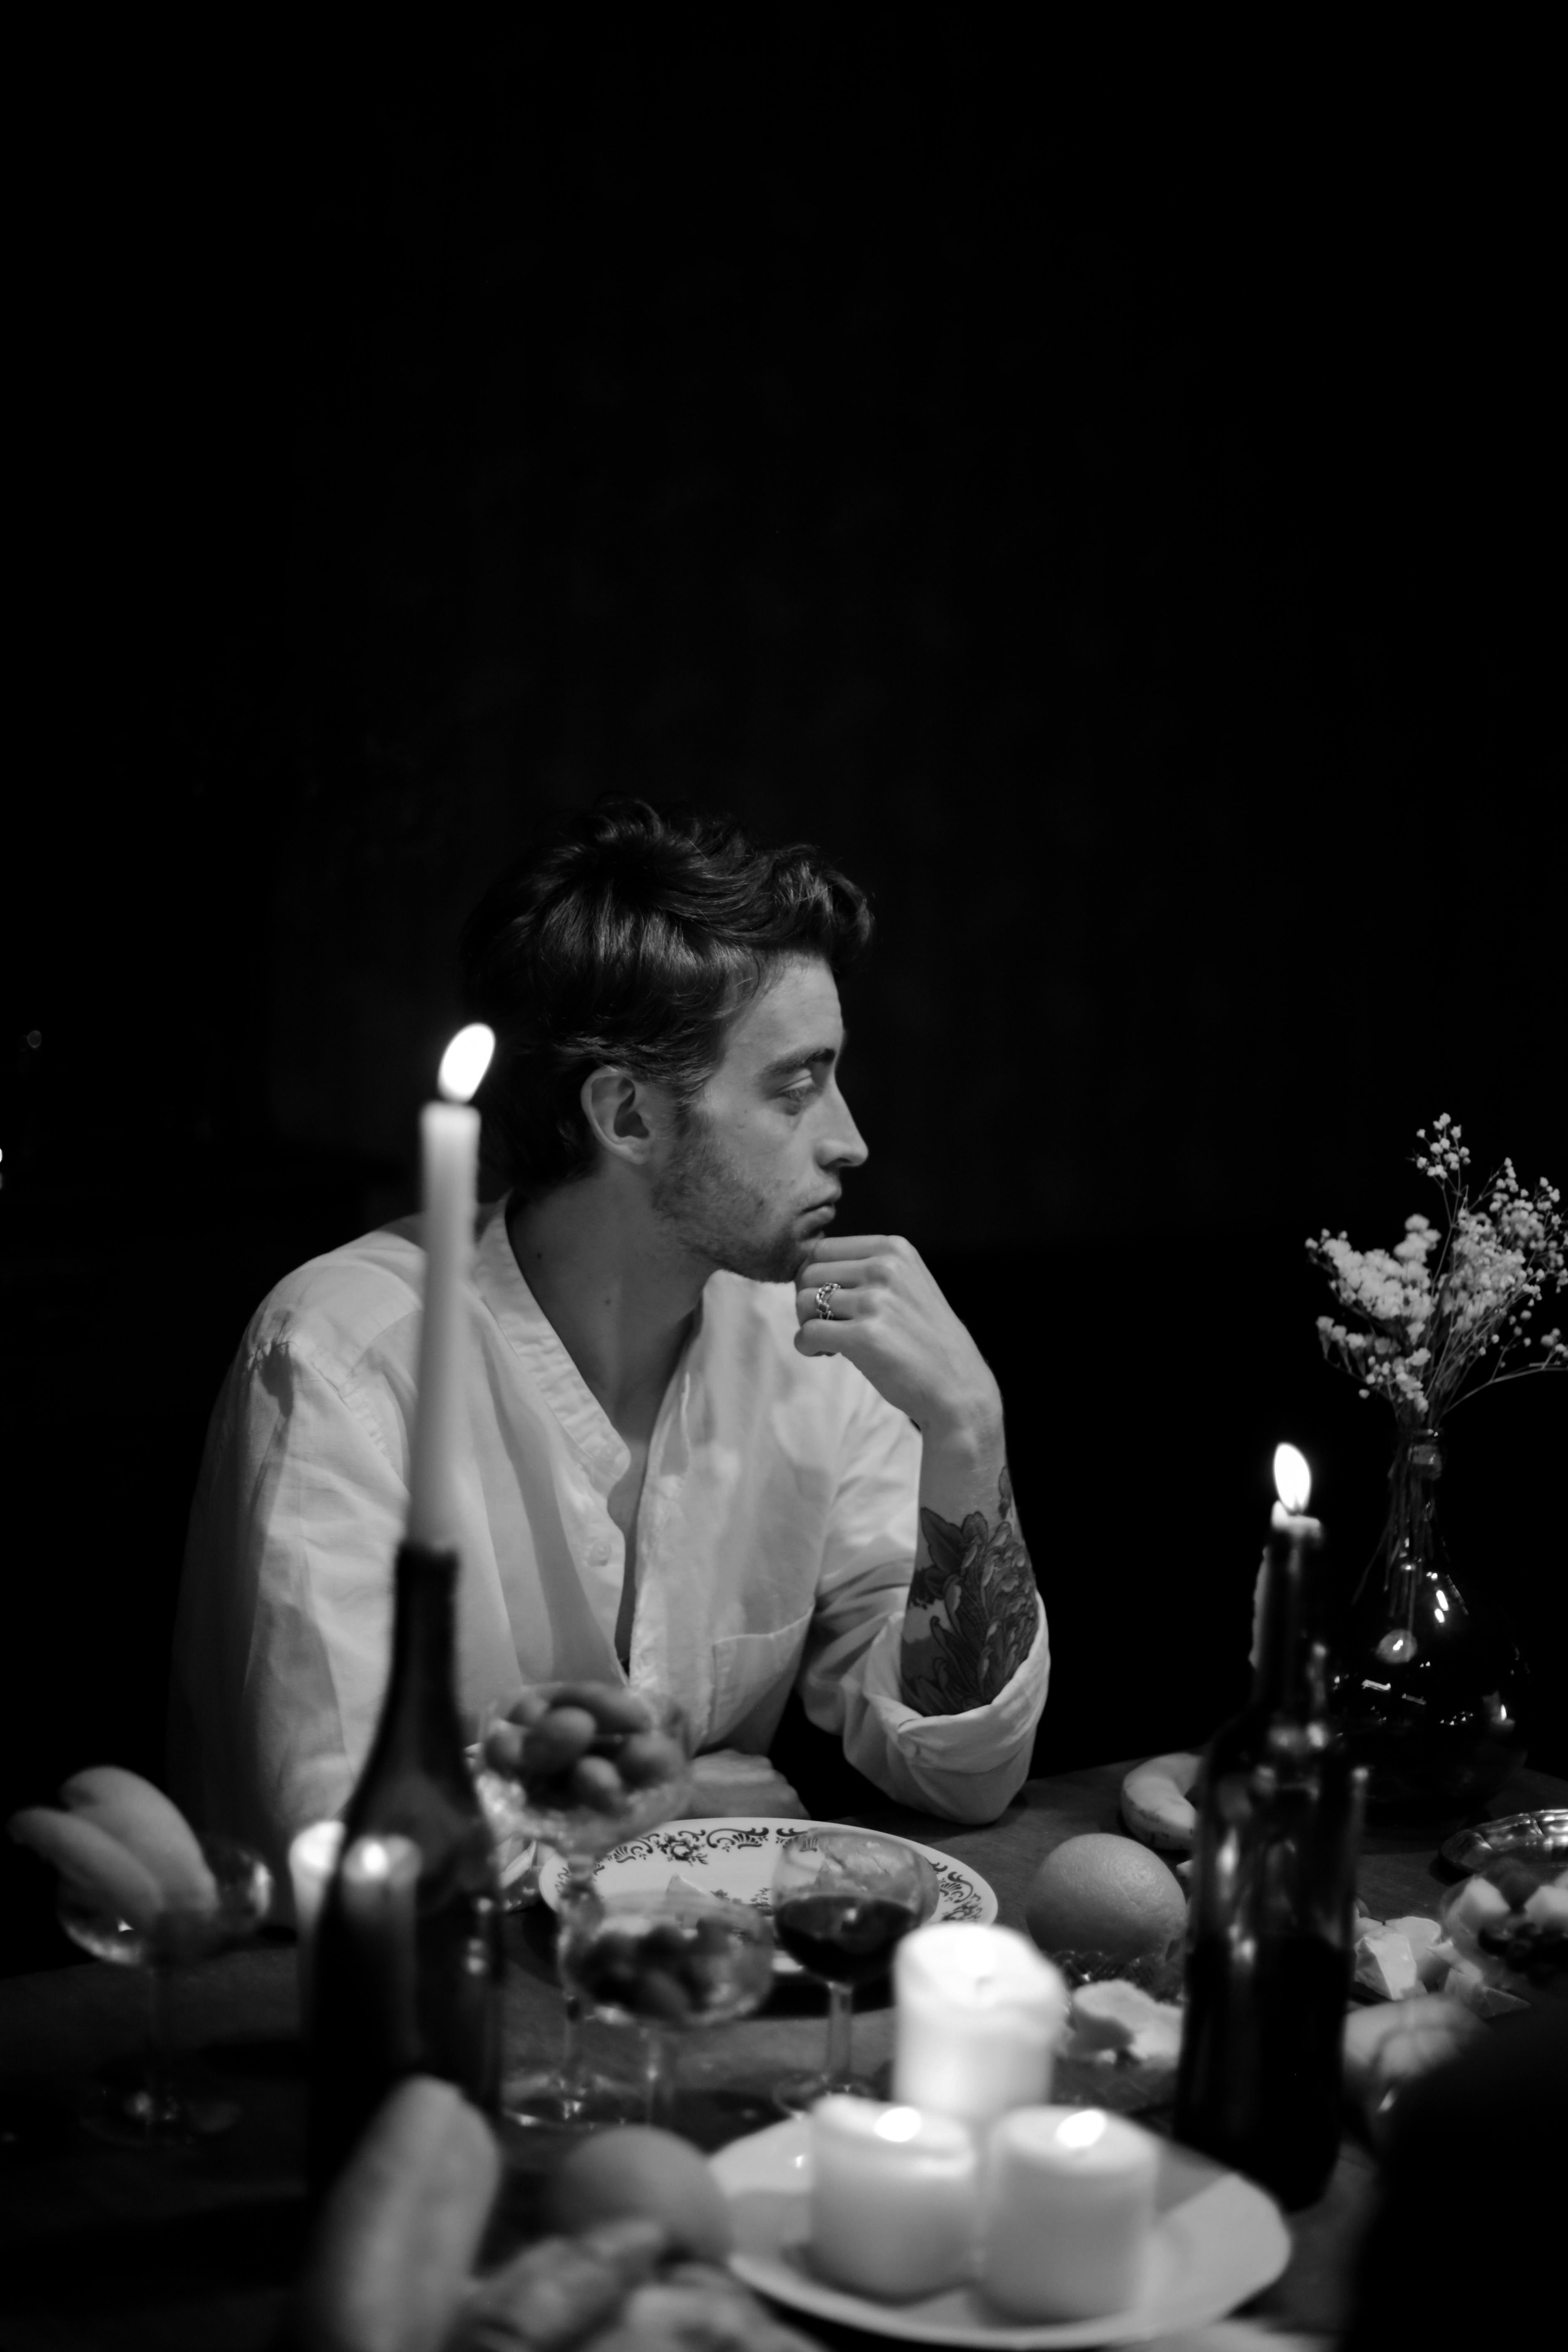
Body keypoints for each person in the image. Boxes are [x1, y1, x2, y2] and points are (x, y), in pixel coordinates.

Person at [168, 801, 1048, 1878]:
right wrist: (661, 1802)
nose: (850, 1139)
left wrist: (968, 1434)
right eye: (796, 1085)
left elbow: (965, 1769)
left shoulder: (810, 1347)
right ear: (628, 1115)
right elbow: (339, 1842)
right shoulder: (343, 1360)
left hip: (696, 2011)